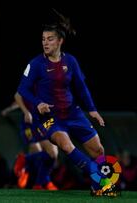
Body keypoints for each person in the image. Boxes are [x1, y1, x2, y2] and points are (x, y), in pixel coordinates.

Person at [17, 10, 116, 196]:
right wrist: (37, 103)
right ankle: (102, 182)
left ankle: (97, 187)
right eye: (43, 39)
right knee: (64, 144)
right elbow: (23, 90)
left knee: (98, 149)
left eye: (50, 39)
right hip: (48, 116)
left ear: (60, 41)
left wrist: (92, 110)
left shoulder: (71, 61)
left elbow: (81, 87)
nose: (45, 42)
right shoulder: (36, 63)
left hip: (73, 113)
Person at [2, 93, 58, 190]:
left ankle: (26, 161)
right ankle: (42, 183)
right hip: (30, 123)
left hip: (47, 121)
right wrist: (22, 111)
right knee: (37, 150)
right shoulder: (34, 81)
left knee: (52, 154)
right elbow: (19, 96)